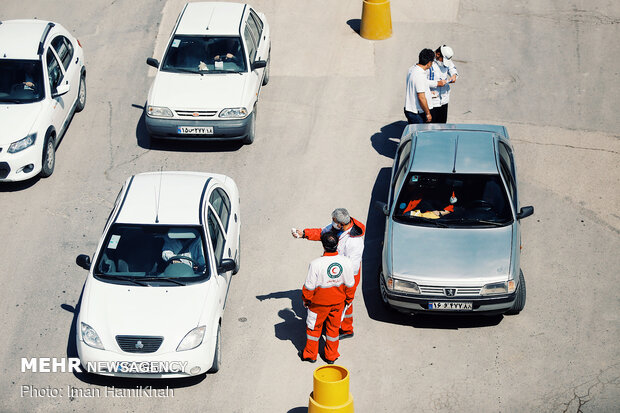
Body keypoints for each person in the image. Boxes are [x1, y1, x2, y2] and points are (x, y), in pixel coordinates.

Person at [293, 208, 364, 339]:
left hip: (347, 274)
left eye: (334, 221)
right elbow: (322, 233)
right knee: (341, 302)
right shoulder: (339, 227)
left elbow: (352, 267)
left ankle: (346, 329)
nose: (332, 223)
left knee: (345, 302)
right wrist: (304, 233)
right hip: (338, 268)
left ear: (342, 224)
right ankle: (341, 325)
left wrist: (343, 280)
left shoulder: (354, 241)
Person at [301, 231, 356, 364]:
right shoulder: (346, 262)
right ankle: (331, 356)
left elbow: (309, 287)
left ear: (323, 245)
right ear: (337, 244)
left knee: (313, 328)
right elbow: (350, 285)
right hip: (338, 304)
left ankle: (310, 355)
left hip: (318, 305)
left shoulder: (316, 264)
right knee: (333, 329)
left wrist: (306, 301)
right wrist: (348, 300)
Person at [404, 48, 446, 124]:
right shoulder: (420, 75)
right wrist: (428, 113)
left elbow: (421, 84)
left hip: (410, 110)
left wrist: (429, 93)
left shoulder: (412, 69)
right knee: (421, 134)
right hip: (417, 113)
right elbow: (421, 97)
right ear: (429, 63)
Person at [428, 45, 459, 123]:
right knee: (431, 127)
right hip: (432, 102)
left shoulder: (446, 58)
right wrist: (437, 83)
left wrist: (454, 75)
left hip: (444, 100)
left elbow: (452, 68)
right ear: (438, 54)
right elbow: (421, 81)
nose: (444, 63)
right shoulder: (427, 60)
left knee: (442, 125)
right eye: (443, 60)